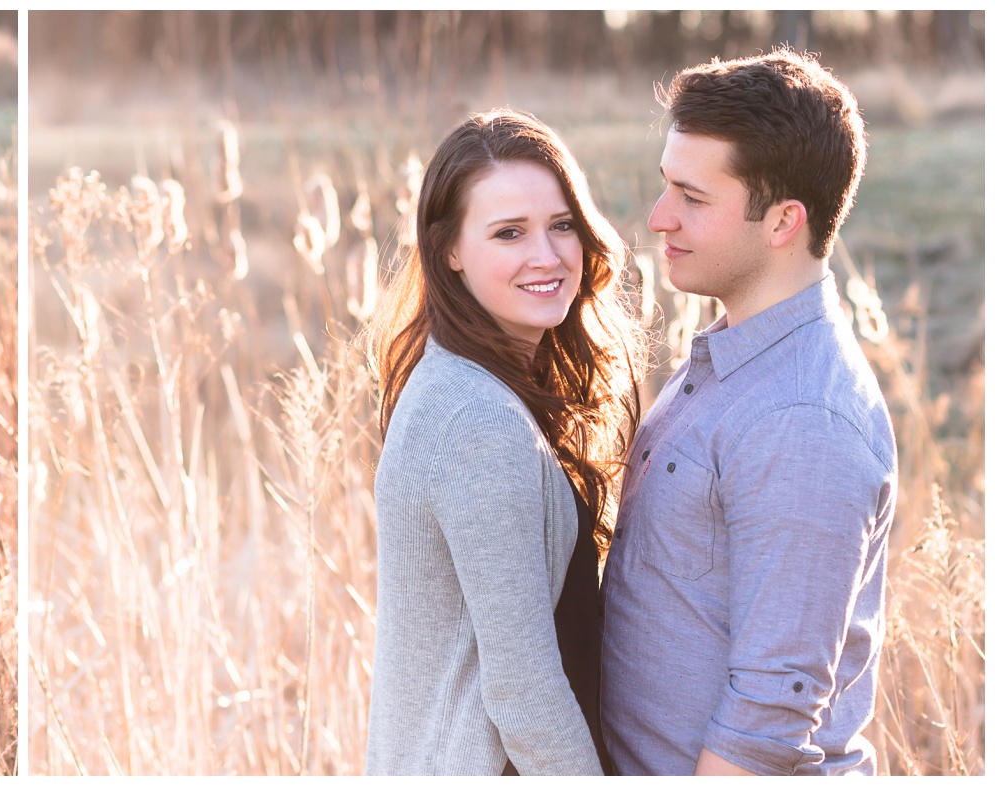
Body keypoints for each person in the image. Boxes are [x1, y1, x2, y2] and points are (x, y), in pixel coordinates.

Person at [601, 49, 897, 776]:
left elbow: (767, 722)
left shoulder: (804, 420)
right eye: (666, 186)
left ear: (783, 221)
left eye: (692, 198)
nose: (658, 217)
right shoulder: (728, 355)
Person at [364, 109, 643, 775]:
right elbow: (523, 693)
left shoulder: (474, 386)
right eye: (509, 233)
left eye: (562, 225)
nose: (546, 257)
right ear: (450, 251)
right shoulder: (475, 421)